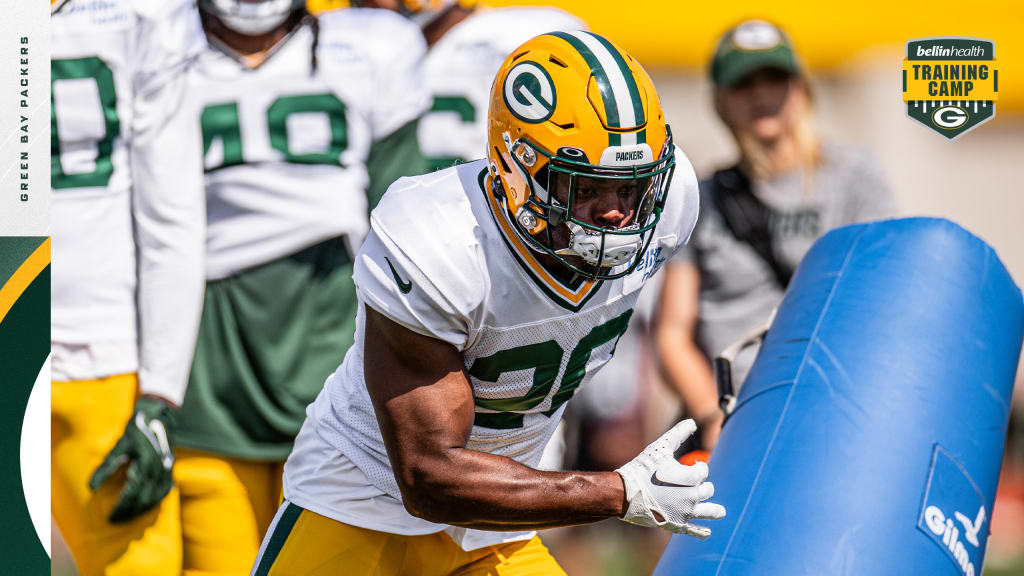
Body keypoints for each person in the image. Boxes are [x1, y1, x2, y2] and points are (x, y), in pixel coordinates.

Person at [255, 31, 724, 575]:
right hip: (361, 507)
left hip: (494, 526)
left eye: (630, 188)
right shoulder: (440, 239)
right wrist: (617, 492)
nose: (617, 213)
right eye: (586, 188)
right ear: (519, 170)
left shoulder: (670, 204)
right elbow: (429, 476)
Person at [175, 1, 430, 573]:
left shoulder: (369, 47)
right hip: (206, 368)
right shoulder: (159, 41)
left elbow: (406, 224)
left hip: (334, 347)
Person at [351, 0, 585, 473]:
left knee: (520, 457)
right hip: (399, 275)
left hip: (502, 271)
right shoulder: (352, 45)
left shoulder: (528, 37)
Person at [656, 20, 896, 451]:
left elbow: (883, 299)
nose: (761, 94)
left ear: (801, 89)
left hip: (832, 405)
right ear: (721, 101)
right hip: (735, 415)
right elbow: (671, 334)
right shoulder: (702, 198)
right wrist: (714, 417)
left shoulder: (853, 177)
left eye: (775, 78)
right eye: (744, 83)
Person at [49, 0, 206, 574]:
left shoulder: (140, 15)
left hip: (101, 361)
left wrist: (160, 393)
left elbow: (172, 218)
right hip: (100, 354)